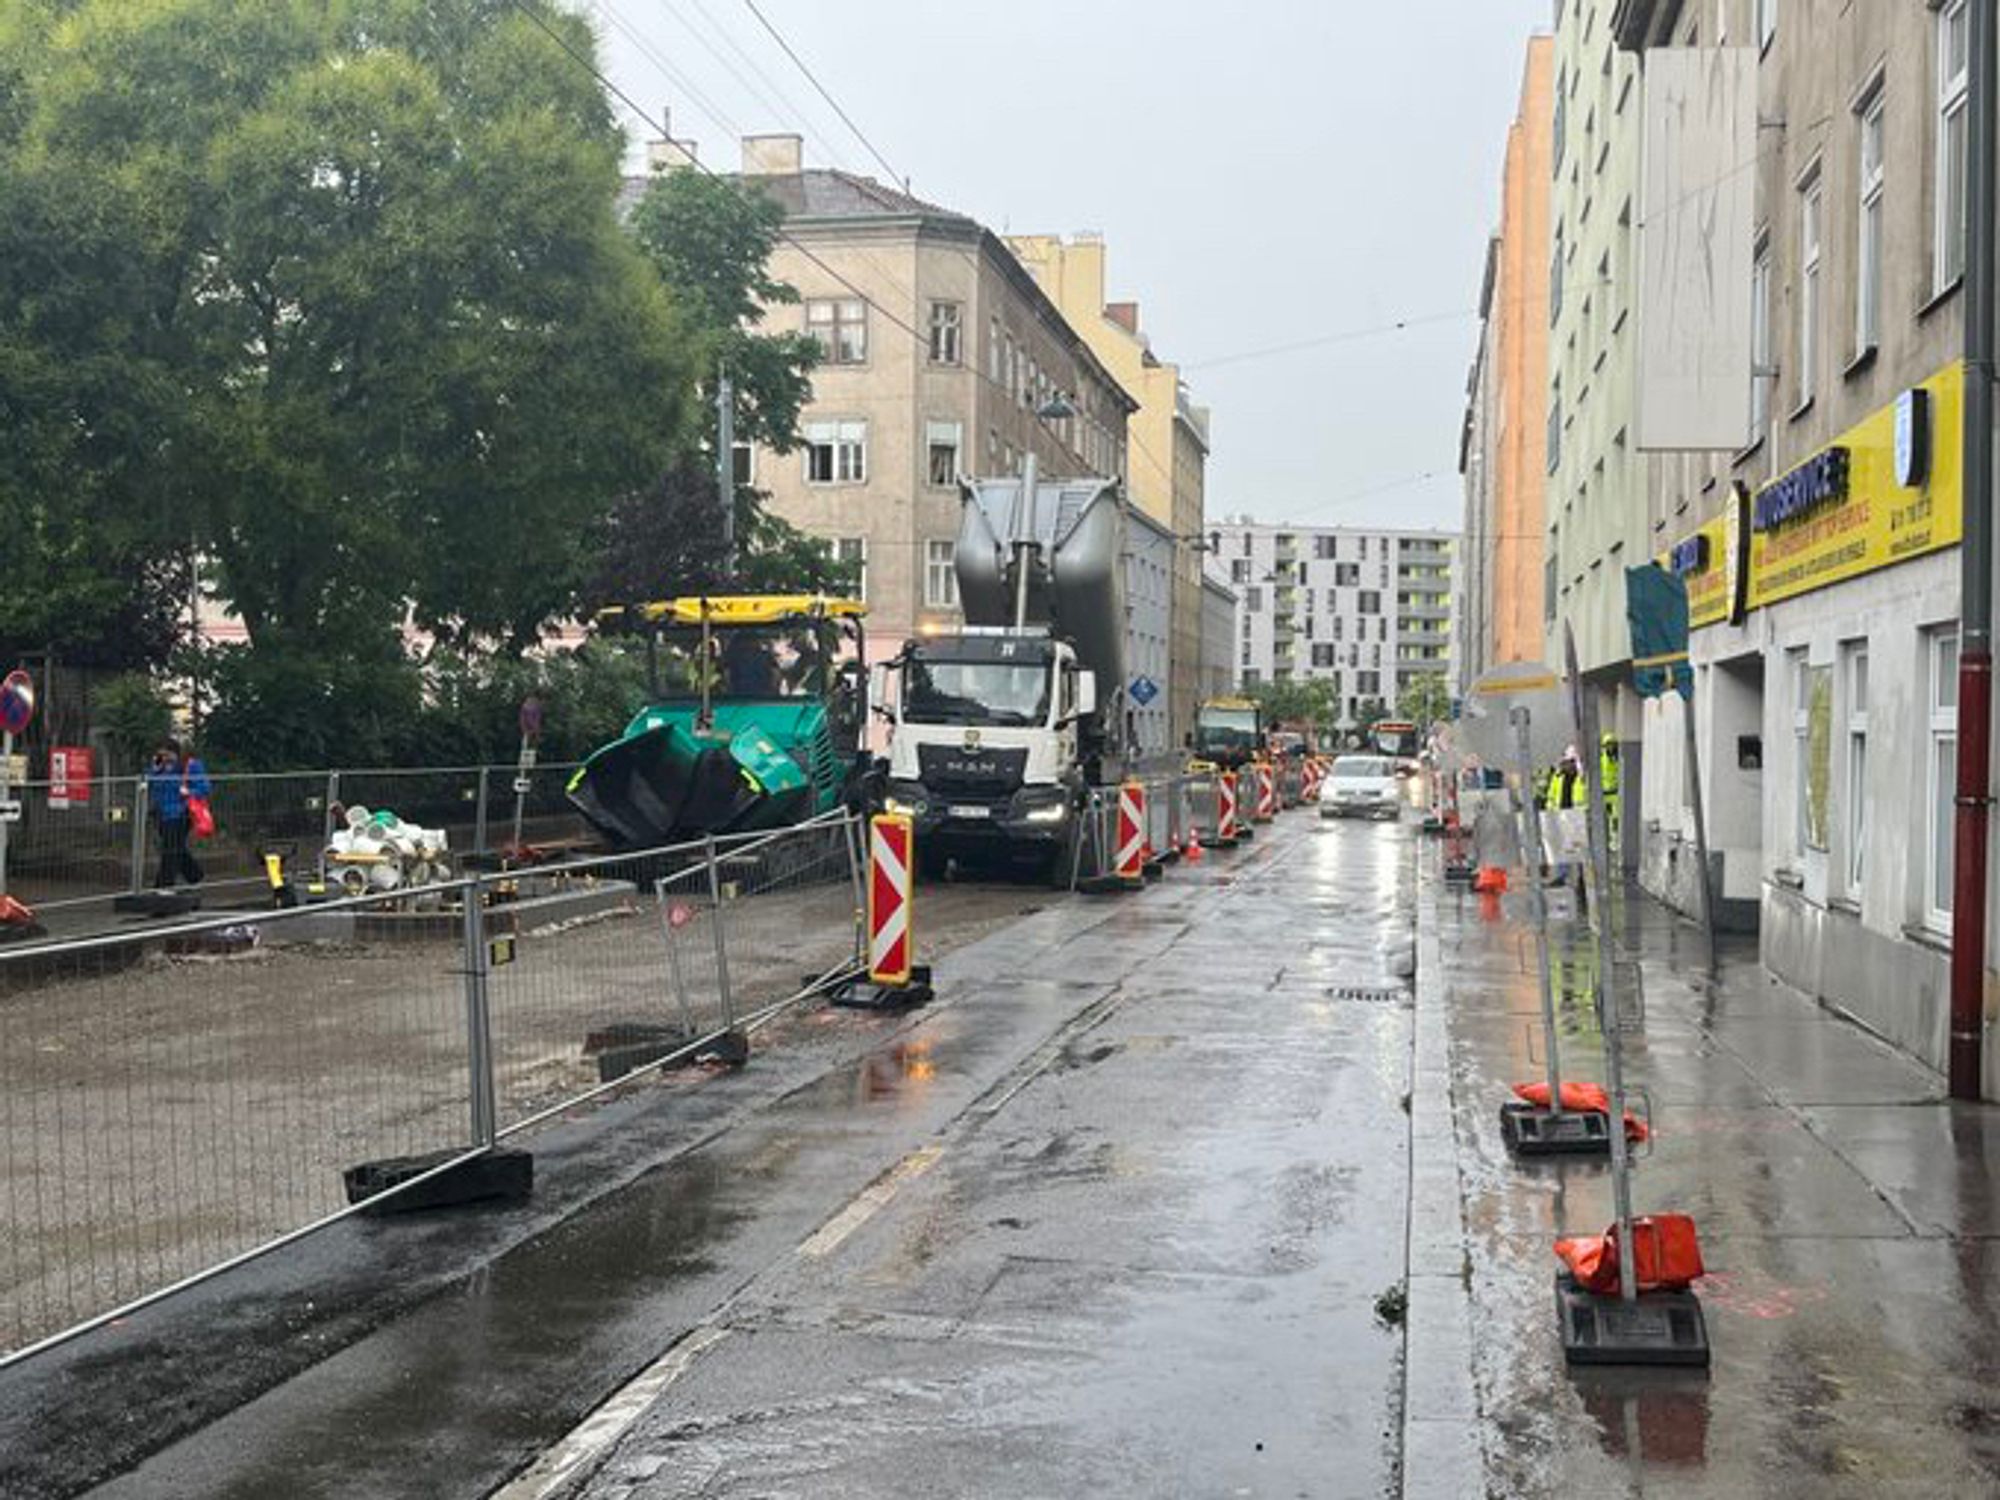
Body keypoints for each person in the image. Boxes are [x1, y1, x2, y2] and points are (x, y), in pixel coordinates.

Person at [146, 739, 209, 888]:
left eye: (167, 755)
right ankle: (194, 875)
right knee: (176, 847)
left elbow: (204, 787)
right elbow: (150, 784)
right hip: (162, 814)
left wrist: (189, 792)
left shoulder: (190, 766)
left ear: (175, 753)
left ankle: (163, 884)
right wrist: (155, 769)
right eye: (161, 756)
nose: (165, 759)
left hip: (181, 813)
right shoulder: (159, 768)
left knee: (170, 849)